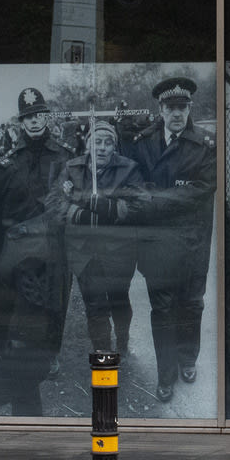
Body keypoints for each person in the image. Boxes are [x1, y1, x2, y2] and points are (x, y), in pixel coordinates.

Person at [125, 76, 216, 402]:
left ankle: (188, 358)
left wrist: (158, 198)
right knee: (162, 310)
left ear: (190, 107)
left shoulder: (205, 145)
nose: (177, 113)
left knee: (192, 304)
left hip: (192, 241)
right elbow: (133, 183)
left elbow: (202, 190)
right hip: (158, 242)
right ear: (160, 108)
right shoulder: (143, 142)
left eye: (182, 106)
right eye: (170, 107)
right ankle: (166, 376)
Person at [0, 87, 73, 407]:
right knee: (25, 299)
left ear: (46, 117)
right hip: (24, 244)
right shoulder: (10, 160)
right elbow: (5, 205)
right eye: (27, 117)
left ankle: (51, 352)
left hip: (57, 242)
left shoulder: (64, 155)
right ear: (20, 122)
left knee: (57, 300)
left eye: (38, 115)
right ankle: (28, 354)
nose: (34, 122)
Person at [54, 117, 142, 356]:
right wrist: (81, 214)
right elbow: (56, 205)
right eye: (97, 142)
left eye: (107, 143)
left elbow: (138, 205)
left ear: (114, 146)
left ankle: (122, 339)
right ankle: (104, 359)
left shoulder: (128, 168)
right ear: (88, 144)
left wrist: (105, 207)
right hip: (84, 250)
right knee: (95, 307)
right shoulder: (73, 168)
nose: (102, 148)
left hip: (118, 250)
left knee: (118, 299)